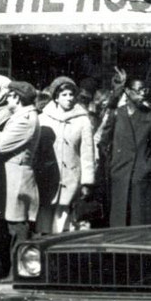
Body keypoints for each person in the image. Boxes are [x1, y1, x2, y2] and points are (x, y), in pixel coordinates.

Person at [0, 81, 40, 280]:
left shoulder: (25, 119)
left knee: (17, 226)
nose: (6, 99)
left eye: (9, 96)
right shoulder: (18, 116)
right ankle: (11, 270)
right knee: (7, 225)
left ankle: (20, 272)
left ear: (17, 98)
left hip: (16, 177)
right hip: (9, 174)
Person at [35, 77, 95, 234]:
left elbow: (87, 153)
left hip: (71, 178)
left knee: (65, 222)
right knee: (44, 221)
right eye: (64, 95)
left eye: (71, 94)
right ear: (56, 97)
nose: (69, 98)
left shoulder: (83, 120)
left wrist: (87, 181)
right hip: (48, 178)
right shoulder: (42, 119)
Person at [102, 77, 151, 228]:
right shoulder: (117, 114)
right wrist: (112, 165)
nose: (143, 94)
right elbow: (104, 142)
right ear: (128, 92)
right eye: (139, 91)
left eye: (145, 91)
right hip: (119, 176)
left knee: (140, 224)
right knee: (119, 225)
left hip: (141, 178)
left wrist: (146, 169)